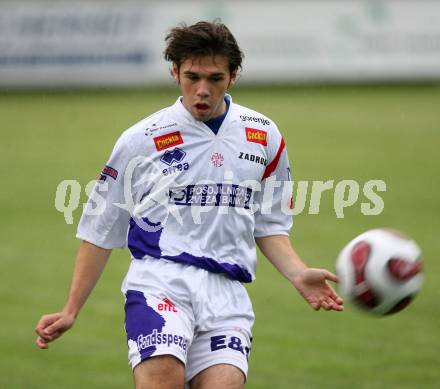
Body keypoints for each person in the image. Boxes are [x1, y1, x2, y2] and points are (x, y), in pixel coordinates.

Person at [35, 21, 343, 389]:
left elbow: (269, 224)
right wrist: (71, 309)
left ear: (233, 76)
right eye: (191, 76)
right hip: (159, 283)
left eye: (214, 78)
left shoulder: (264, 136)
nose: (202, 90)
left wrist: (298, 274)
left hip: (227, 295)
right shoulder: (141, 140)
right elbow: (100, 230)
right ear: (174, 72)